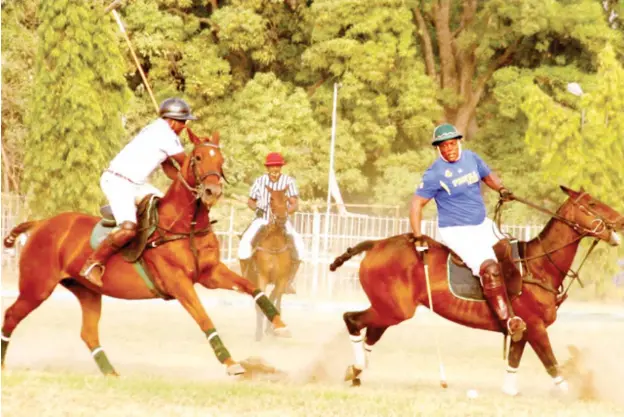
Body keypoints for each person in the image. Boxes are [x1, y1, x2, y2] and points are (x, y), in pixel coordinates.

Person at [409, 123, 526, 341]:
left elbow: (488, 176)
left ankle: (518, 302)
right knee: (489, 267)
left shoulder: (472, 158)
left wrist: (500, 189)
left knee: (509, 251)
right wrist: (417, 236)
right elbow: (416, 205)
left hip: (481, 223)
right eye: (443, 146)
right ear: (438, 149)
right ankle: (507, 320)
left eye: (452, 144)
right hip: (456, 231)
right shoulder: (434, 173)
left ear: (459, 142)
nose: (449, 149)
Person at [80, 98, 196, 287]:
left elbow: (170, 170)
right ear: (172, 121)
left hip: (137, 184)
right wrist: (196, 178)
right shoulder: (166, 135)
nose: (184, 126)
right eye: (183, 122)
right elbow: (185, 164)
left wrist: (189, 187)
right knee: (128, 228)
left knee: (164, 209)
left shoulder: (161, 131)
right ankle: (93, 264)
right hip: (119, 181)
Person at [238, 152, 304, 294]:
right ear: (267, 168)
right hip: (262, 219)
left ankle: (288, 282)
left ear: (281, 167)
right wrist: (257, 209)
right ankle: (245, 280)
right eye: (272, 166)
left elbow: (295, 204)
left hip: (282, 221)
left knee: (300, 246)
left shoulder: (288, 181)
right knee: (244, 243)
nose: (275, 169)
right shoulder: (259, 181)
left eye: (277, 166)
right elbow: (251, 200)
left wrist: (286, 212)